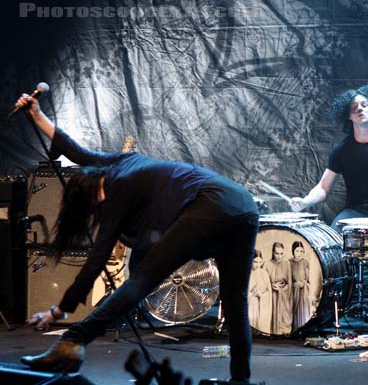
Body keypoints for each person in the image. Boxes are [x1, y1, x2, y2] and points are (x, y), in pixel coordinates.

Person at [15, 93, 259, 382]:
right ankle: (241, 379)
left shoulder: (116, 192)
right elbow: (76, 152)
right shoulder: (118, 163)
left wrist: (58, 310)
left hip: (210, 203)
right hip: (243, 205)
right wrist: (36, 115)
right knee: (235, 299)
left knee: (141, 280)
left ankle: (72, 341)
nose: (97, 215)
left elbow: (96, 260)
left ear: (90, 200)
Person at [289, 84, 368, 230]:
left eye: (364, 105)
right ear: (348, 115)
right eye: (354, 107)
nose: (360, 109)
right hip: (354, 212)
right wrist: (305, 202)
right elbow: (323, 187)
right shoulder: (341, 149)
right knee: (334, 236)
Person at [263, 242, 292, 335]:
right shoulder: (267, 264)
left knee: (284, 316)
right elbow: (262, 281)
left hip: (283, 295)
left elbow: (289, 282)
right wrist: (271, 285)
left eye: (281, 254)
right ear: (272, 252)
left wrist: (282, 288)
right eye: (277, 253)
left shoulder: (286, 263)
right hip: (271, 295)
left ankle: (283, 332)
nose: (279, 256)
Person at [248, 249, 272, 334]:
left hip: (262, 303)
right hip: (251, 304)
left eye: (259, 262)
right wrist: (252, 294)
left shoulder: (264, 274)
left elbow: (269, 292)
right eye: (255, 262)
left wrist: (262, 295)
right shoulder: (247, 273)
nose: (258, 265)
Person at [289, 241, 311, 331]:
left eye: (301, 251)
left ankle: (302, 329)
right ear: (293, 251)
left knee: (303, 311)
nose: (299, 253)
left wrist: (305, 283)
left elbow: (309, 279)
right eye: (297, 251)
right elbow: (287, 279)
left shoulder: (306, 263)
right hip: (293, 292)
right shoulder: (289, 263)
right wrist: (296, 284)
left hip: (303, 292)